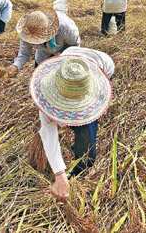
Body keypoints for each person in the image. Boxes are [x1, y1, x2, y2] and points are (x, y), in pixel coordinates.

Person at [29, 47, 114, 201]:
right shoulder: (46, 90)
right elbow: (48, 130)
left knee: (86, 127)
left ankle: (82, 166)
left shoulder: (97, 81)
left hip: (103, 64)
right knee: (68, 122)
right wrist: (60, 173)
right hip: (70, 55)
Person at [9, 8, 80, 77]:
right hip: (43, 52)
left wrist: (66, 61)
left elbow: (74, 46)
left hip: (65, 47)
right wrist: (15, 66)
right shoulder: (27, 31)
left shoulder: (66, 28)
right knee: (39, 76)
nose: (36, 39)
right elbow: (24, 53)